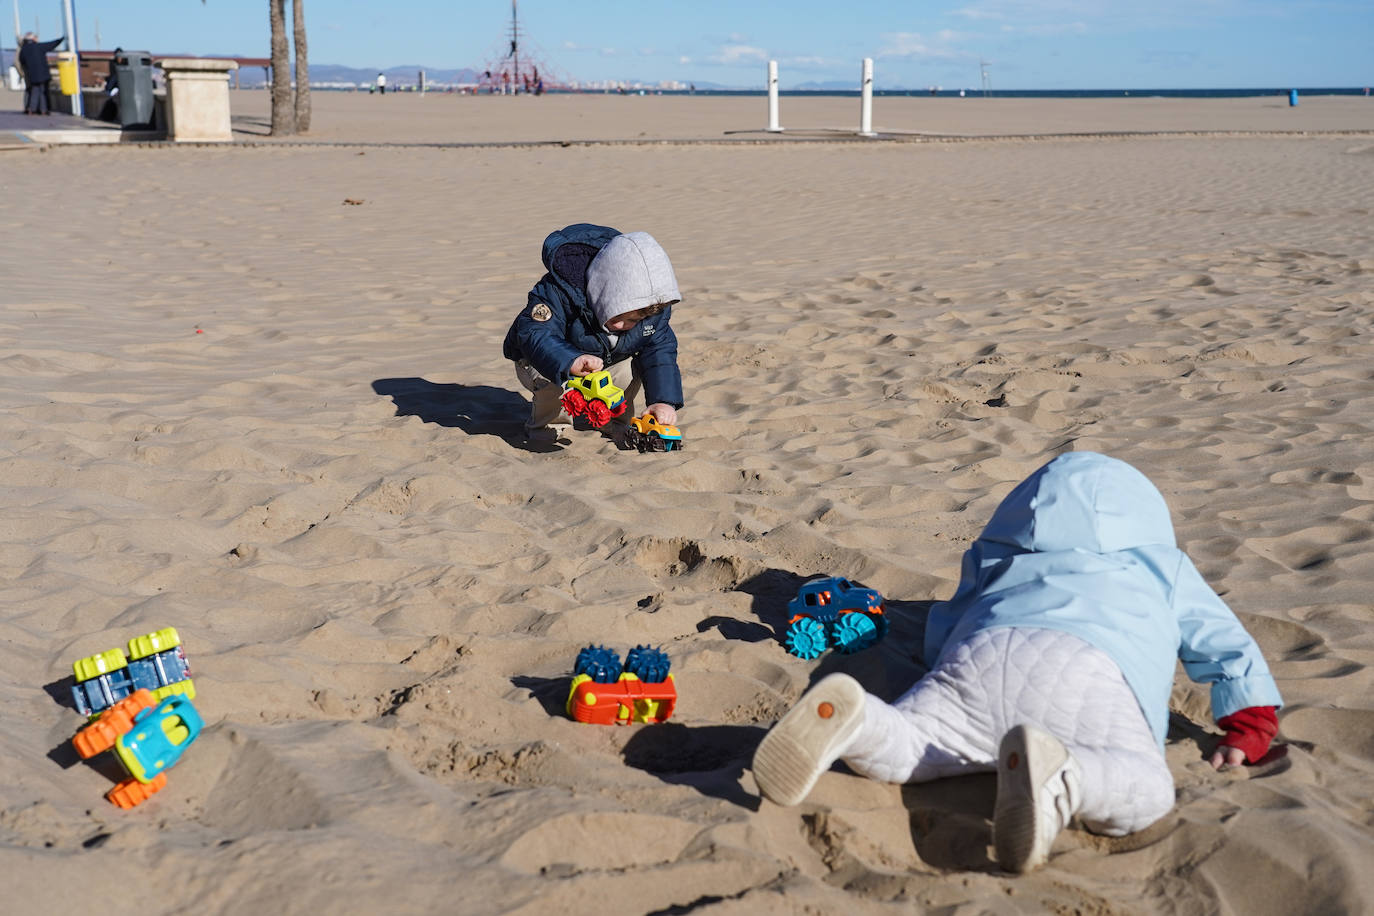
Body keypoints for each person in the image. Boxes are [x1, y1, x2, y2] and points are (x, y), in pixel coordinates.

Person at [753, 451, 1282, 873]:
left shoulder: (1003, 554)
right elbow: (1220, 639)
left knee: (914, 740)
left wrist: (943, 670)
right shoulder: (1160, 564)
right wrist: (1250, 719)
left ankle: (860, 722)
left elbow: (953, 619)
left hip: (987, 649)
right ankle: (1064, 778)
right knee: (1146, 790)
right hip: (1094, 666)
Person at [502, 224, 684, 447]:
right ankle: (550, 426)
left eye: (633, 321)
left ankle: (616, 423)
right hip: (541, 361)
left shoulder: (652, 313)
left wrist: (663, 401)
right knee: (553, 383)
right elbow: (534, 332)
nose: (622, 325)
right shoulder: (559, 290)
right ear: (603, 294)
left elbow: (660, 353)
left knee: (630, 371)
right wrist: (569, 361)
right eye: (619, 315)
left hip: (601, 363)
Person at [18, 32, 64, 115]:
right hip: (43, 74)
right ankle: (44, 109)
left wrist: (25, 72)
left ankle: (32, 109)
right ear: (32, 38)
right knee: (43, 92)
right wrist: (60, 40)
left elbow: (21, 61)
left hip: (31, 75)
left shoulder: (23, 49)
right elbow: (51, 45)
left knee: (34, 91)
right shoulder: (38, 46)